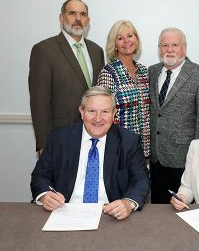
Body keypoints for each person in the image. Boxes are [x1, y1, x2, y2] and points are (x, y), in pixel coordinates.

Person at [31, 86, 150, 220]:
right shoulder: (59, 138)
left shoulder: (129, 141)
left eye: (105, 111)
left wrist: (128, 203)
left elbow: (141, 180)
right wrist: (45, 195)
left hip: (110, 213)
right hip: (65, 211)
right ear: (81, 112)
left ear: (113, 113)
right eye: (92, 111)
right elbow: (40, 176)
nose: (98, 119)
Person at [28, 0, 105, 154]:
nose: (78, 19)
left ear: (88, 20)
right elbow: (39, 102)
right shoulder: (44, 50)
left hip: (95, 135)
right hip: (60, 137)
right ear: (61, 18)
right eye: (72, 13)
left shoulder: (97, 51)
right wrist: (44, 144)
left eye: (83, 14)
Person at [149, 27, 199, 204]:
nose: (169, 50)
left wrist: (197, 158)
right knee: (158, 210)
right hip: (156, 159)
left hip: (184, 160)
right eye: (164, 45)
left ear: (184, 47)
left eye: (175, 45)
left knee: (183, 211)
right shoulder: (151, 72)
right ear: (159, 49)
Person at [97, 20, 150, 158]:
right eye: (120, 38)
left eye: (130, 36)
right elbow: (103, 113)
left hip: (143, 148)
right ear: (114, 45)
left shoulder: (144, 71)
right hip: (119, 148)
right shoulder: (109, 72)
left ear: (136, 39)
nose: (126, 41)